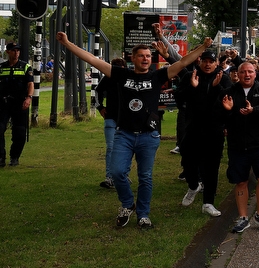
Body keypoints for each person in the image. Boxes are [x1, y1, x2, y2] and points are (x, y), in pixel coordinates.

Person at [56, 31, 212, 228]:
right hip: (124, 135)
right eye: (141, 56)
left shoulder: (157, 76)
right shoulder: (121, 74)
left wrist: (203, 47)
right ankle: (128, 203)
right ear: (133, 58)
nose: (145, 59)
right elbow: (92, 60)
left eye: (148, 56)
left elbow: (182, 63)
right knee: (117, 172)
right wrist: (68, 43)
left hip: (149, 136)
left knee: (145, 177)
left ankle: (143, 214)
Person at [221, 61, 259, 233]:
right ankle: (243, 217)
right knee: (241, 181)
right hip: (238, 144)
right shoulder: (230, 91)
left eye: (250, 72)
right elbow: (221, 115)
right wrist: (228, 110)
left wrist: (255, 110)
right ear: (238, 74)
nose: (246, 75)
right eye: (243, 72)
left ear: (255, 73)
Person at [179, 50, 231, 217]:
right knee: (188, 162)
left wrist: (216, 89)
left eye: (211, 61)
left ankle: (208, 202)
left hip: (214, 129)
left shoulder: (222, 78)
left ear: (217, 63)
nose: (208, 64)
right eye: (205, 61)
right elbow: (180, 98)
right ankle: (193, 186)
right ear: (199, 61)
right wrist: (192, 88)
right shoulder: (191, 76)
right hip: (193, 127)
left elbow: (226, 102)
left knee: (212, 167)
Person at [94, 58, 126, 188]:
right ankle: (110, 177)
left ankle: (122, 175)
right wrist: (100, 107)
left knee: (125, 148)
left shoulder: (128, 78)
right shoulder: (108, 78)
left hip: (125, 119)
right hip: (111, 117)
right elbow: (97, 91)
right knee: (111, 147)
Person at [0, 42, 33, 167]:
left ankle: (14, 157)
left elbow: (30, 84)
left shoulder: (25, 67)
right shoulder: (2, 67)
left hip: (19, 103)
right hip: (3, 103)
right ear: (8, 52)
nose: (16, 53)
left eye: (18, 50)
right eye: (14, 50)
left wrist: (28, 98)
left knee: (19, 131)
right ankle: (1, 157)